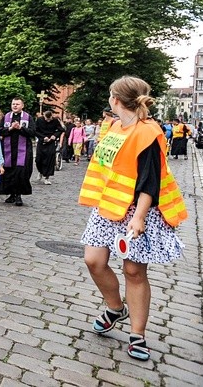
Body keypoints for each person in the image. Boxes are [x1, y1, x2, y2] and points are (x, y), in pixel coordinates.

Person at [79, 76, 187, 361]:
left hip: (137, 210)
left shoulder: (148, 133)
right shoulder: (113, 127)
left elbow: (150, 181)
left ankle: (138, 335)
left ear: (116, 99)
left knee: (134, 271)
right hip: (108, 207)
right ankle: (116, 308)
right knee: (93, 260)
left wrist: (138, 217)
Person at [0, 97, 35, 206]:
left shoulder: (28, 118)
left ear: (22, 106)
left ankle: (18, 195)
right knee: (9, 172)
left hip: (23, 151)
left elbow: (32, 132)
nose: (15, 106)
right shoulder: (6, 117)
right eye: (13, 104)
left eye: (17, 104)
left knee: (20, 172)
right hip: (8, 149)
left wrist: (20, 128)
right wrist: (10, 128)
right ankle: (11, 194)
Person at [34, 110, 64, 185]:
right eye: (46, 119)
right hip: (42, 141)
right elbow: (35, 131)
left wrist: (55, 135)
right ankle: (40, 171)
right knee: (38, 159)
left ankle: (46, 178)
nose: (47, 121)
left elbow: (61, 130)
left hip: (51, 142)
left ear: (51, 116)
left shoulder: (55, 121)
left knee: (49, 160)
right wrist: (42, 137)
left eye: (49, 119)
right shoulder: (39, 120)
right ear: (44, 116)